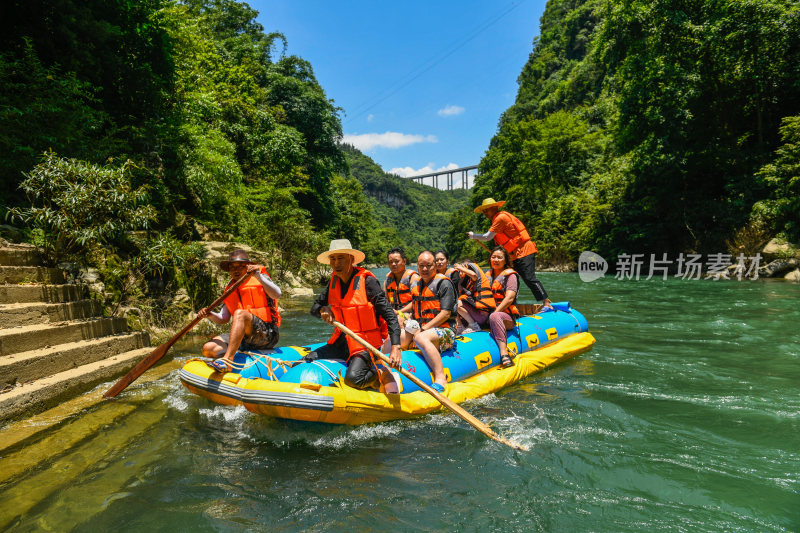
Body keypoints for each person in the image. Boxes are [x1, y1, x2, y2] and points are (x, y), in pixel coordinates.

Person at [309, 239, 402, 392]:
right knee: (308, 359)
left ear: (351, 260)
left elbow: (390, 315)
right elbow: (314, 308)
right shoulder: (333, 281)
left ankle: (379, 372)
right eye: (333, 259)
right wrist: (323, 310)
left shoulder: (368, 282)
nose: (336, 263)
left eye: (341, 258)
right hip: (342, 341)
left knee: (354, 379)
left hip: (365, 344)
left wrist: (396, 347)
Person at [200, 250, 282, 372]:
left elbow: (277, 294)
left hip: (267, 334)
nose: (236, 270)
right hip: (245, 339)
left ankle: (228, 361)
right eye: (232, 267)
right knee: (209, 348)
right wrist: (210, 315)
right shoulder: (230, 287)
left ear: (248, 266)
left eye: (240, 266)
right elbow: (223, 318)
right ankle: (236, 356)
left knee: (240, 314)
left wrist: (257, 275)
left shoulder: (260, 277)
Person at [467, 197, 551, 307]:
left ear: (494, 208)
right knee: (510, 278)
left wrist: (474, 236)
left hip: (524, 251)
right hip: (513, 255)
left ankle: (546, 303)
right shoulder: (497, 219)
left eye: (486, 210)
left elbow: (487, 237)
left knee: (529, 278)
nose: (485, 213)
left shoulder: (500, 218)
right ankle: (510, 304)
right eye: (483, 211)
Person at [396, 250, 457, 392]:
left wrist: (423, 330)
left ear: (435, 265)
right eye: (421, 265)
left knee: (420, 338)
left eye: (428, 265)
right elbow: (417, 311)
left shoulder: (444, 284)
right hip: (422, 328)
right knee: (393, 338)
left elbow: (445, 314)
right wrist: (406, 322)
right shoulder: (417, 285)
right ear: (417, 266)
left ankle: (440, 378)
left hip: (446, 331)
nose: (424, 269)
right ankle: (382, 369)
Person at [486, 247, 521, 368]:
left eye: (500, 257)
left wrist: (494, 312)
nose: (496, 260)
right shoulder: (487, 276)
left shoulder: (510, 276)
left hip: (506, 317)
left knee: (495, 316)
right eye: (493, 257)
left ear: (505, 260)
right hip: (487, 314)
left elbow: (510, 298)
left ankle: (503, 353)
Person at [452, 259, 496, 333]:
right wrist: (461, 278)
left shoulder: (475, 277)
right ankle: (460, 327)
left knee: (457, 304)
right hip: (476, 314)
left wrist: (460, 268)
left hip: (482, 316)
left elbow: (473, 275)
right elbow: (460, 288)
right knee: (453, 302)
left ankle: (474, 326)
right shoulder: (469, 282)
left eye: (463, 269)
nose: (461, 272)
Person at [383, 247, 420, 314]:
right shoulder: (387, 280)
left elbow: (417, 301)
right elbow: (384, 300)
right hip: (394, 312)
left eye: (396, 261)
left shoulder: (413, 278)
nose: (393, 264)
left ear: (404, 261)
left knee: (400, 320)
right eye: (391, 262)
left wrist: (399, 312)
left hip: (411, 312)